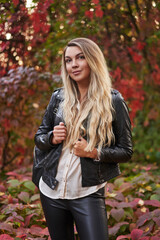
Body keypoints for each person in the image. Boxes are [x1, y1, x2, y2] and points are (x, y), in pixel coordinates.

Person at [33, 37, 133, 240]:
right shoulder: (59, 98)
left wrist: (93, 152)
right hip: (52, 191)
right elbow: (39, 137)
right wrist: (52, 138)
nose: (74, 65)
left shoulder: (113, 101)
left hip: (87, 192)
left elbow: (126, 151)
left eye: (80, 58)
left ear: (93, 60)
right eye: (68, 60)